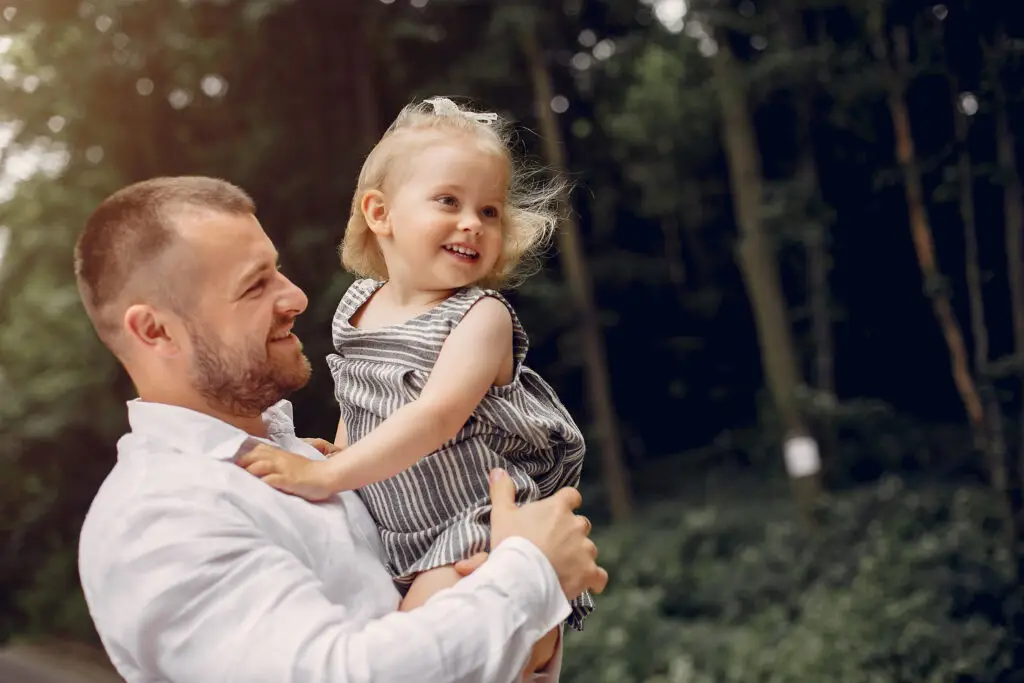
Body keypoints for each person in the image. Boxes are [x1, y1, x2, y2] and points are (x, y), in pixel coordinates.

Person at [73, 175, 608, 683]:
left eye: (276, 270)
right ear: (156, 331)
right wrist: (531, 576)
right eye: (255, 286)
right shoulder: (156, 517)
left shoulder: (310, 457)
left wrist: (530, 620)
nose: (296, 298)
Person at [236, 96, 593, 678]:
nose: (472, 222)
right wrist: (344, 448)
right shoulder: (356, 306)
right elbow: (359, 391)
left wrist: (327, 474)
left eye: (491, 210)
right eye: (448, 201)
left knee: (429, 653)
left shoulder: (481, 317)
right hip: (393, 532)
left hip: (474, 524)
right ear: (380, 214)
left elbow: (435, 417)